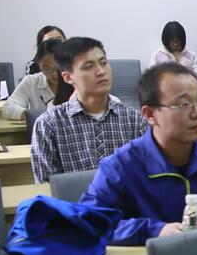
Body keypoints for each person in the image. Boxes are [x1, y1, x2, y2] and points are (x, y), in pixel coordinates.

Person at [80, 62, 197, 245]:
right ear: (150, 114)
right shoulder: (120, 165)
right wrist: (154, 230)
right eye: (183, 104)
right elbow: (90, 222)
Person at [30, 37, 147, 183]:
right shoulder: (48, 124)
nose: (101, 71)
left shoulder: (134, 120)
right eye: (89, 66)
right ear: (68, 77)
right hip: (74, 198)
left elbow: (148, 176)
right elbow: (46, 185)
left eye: (103, 63)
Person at [4, 37, 63, 119]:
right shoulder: (31, 81)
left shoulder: (74, 81)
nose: (54, 74)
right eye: (46, 68)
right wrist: (35, 115)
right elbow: (8, 109)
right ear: (39, 65)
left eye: (58, 68)